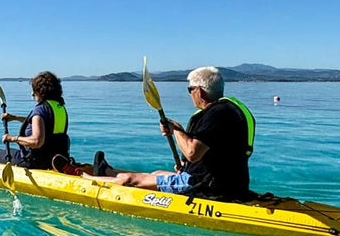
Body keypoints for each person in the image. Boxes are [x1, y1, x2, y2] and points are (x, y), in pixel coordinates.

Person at [90, 66, 255, 202]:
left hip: (206, 188)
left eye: (189, 89)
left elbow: (192, 153)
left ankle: (82, 177)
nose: (190, 94)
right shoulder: (230, 109)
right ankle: (107, 172)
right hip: (229, 183)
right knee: (157, 174)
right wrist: (186, 164)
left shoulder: (216, 113)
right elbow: (214, 152)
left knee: (130, 181)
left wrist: (176, 130)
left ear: (199, 91)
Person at [0, 71, 71, 169]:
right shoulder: (59, 108)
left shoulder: (40, 109)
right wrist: (15, 118)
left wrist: (12, 138)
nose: (32, 94)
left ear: (39, 91)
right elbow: (42, 124)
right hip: (53, 160)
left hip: (33, 161)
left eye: (34, 91)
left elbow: (37, 141)